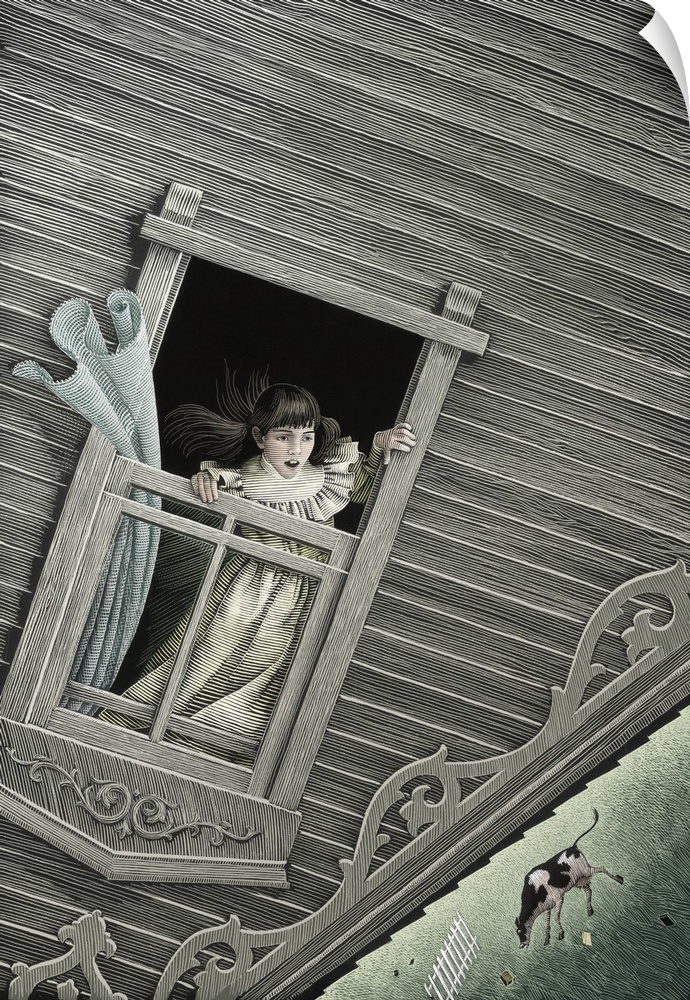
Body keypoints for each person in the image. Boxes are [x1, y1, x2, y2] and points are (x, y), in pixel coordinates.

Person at [109, 373, 416, 753]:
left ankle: (217, 742)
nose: (297, 449)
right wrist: (205, 480)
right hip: (246, 589)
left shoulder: (327, 477)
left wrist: (380, 446)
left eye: (307, 437)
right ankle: (147, 724)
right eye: (284, 437)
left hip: (305, 594)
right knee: (209, 657)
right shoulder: (243, 478)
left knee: (275, 671)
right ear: (259, 437)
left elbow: (369, 489)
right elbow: (213, 481)